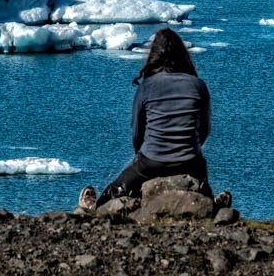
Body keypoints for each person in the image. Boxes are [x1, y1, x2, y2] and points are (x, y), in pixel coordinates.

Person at [78, 28, 229, 211]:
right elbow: (204, 130)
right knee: (201, 175)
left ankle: (96, 207)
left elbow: (137, 131)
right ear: (184, 55)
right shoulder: (198, 85)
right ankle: (211, 203)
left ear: (154, 56)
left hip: (151, 161)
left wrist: (142, 154)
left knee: (117, 188)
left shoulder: (147, 86)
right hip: (190, 161)